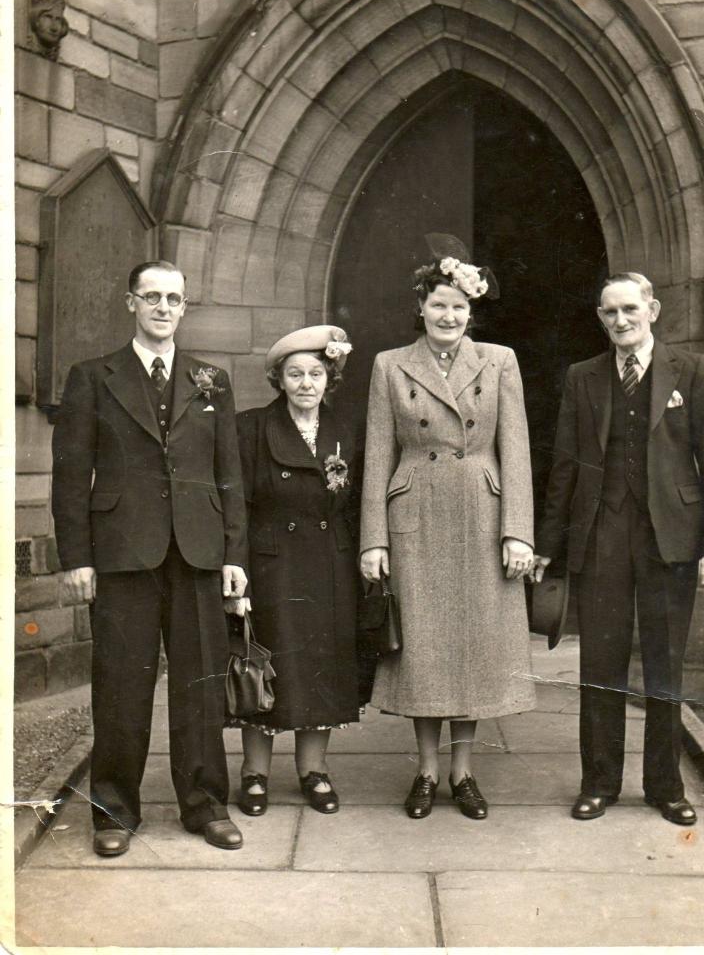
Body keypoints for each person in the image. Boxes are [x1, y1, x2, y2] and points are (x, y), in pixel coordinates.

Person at [51, 260, 248, 856]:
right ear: (130, 302)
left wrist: (233, 552)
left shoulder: (211, 379)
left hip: (196, 552)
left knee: (201, 685)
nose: (164, 307)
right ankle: (113, 812)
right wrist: (76, 557)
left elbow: (229, 474)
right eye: (152, 296)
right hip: (121, 553)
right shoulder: (92, 377)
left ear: (185, 307)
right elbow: (69, 475)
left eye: (175, 298)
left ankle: (206, 804)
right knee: (120, 685)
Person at [532, 272, 704, 825]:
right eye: (609, 312)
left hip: (672, 539)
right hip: (601, 535)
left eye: (629, 310)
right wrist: (548, 543)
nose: (620, 321)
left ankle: (666, 788)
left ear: (653, 309)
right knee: (601, 662)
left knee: (666, 665)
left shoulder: (690, 371)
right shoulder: (584, 377)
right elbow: (566, 466)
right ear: (600, 318)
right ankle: (599, 783)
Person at [360, 255, 536, 820]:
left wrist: (518, 532)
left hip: (481, 515)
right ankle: (426, 771)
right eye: (438, 305)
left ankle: (464, 773)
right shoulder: (390, 365)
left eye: (459, 307)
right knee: (425, 650)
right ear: (421, 307)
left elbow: (517, 450)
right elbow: (377, 454)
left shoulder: (500, 361)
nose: (448, 315)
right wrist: (373, 539)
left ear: (471, 311)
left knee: (473, 646)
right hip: (415, 514)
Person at [228, 326, 360, 816]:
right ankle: (254, 773)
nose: (307, 383)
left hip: (330, 564)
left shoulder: (345, 429)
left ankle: (314, 771)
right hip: (271, 566)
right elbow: (236, 505)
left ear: (330, 379)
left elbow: (356, 503)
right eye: (295, 374)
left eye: (316, 373)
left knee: (320, 665)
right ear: (278, 379)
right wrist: (236, 568)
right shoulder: (251, 428)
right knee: (266, 664)